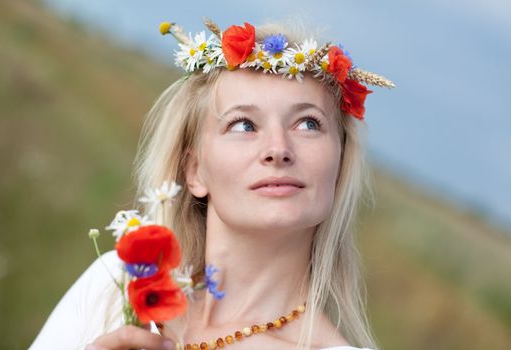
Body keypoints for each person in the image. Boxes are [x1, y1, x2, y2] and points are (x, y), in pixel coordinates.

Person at [30, 19, 394, 350]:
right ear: (194, 171)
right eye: (243, 125)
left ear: (341, 161)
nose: (278, 150)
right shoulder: (114, 286)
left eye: (308, 124)